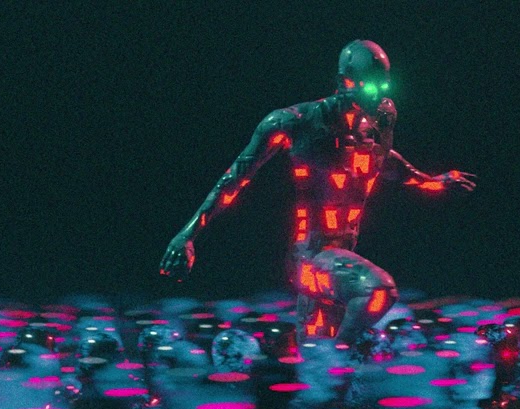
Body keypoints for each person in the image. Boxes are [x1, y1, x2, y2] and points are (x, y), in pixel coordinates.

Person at [159, 39, 476, 346]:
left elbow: (383, 162)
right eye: (369, 86)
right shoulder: (298, 122)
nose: (378, 95)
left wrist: (433, 181)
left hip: (340, 264)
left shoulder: (381, 121)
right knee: (377, 291)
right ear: (343, 81)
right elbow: (235, 178)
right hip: (310, 261)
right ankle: (337, 360)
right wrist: (188, 235)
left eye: (384, 86)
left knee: (313, 353)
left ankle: (328, 366)